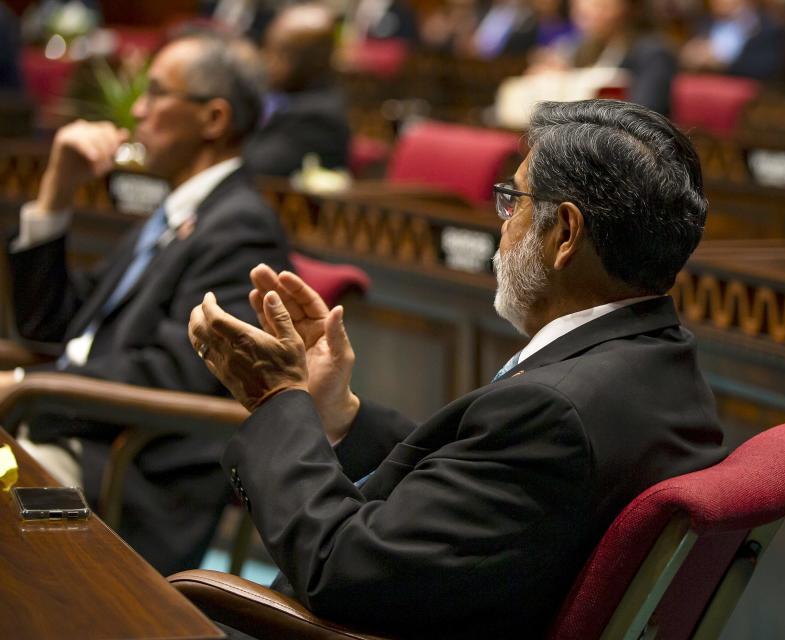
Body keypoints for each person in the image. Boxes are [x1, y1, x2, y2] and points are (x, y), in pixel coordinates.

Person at [189, 99, 726, 639]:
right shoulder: (660, 358)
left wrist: (279, 399)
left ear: (564, 233)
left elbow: (342, 570)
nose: (503, 223)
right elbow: (476, 486)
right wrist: (336, 414)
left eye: (513, 200)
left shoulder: (554, 415)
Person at [1, 33, 292, 574]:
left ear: (212, 119)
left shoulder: (241, 228)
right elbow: (53, 327)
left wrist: (26, 387)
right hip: (59, 433)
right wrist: (55, 194)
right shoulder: (179, 214)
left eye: (156, 93)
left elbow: (170, 373)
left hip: (114, 482)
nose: (137, 109)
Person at [243, 3, 351, 177]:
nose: (266, 60)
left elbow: (254, 166)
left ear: (312, 62)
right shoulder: (281, 94)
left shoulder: (318, 117)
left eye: (279, 53)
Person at [527, 0, 677, 116]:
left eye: (599, 3)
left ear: (628, 7)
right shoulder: (584, 48)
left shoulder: (654, 53)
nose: (586, 8)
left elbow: (644, 114)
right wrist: (560, 77)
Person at [679, 0, 785, 80]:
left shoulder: (765, 26)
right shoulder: (704, 23)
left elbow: (766, 67)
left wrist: (722, 63)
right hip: (704, 87)